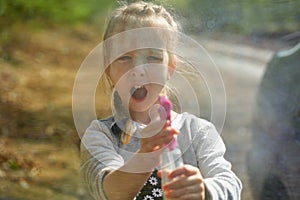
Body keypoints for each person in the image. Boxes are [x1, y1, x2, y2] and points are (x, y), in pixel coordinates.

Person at [80, 1, 242, 200]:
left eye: (153, 57)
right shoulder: (101, 135)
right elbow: (111, 192)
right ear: (108, 69)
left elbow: (230, 184)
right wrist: (147, 153)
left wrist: (205, 190)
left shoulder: (198, 131)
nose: (138, 70)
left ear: (170, 68)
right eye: (125, 58)